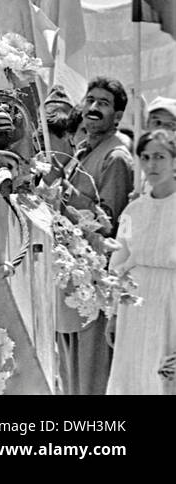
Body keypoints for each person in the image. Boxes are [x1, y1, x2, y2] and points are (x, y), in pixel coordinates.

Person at [45, 77, 135, 395]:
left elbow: (110, 226)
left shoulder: (117, 158)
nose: (94, 108)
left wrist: (64, 194)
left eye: (104, 103)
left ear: (118, 117)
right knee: (70, 383)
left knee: (91, 383)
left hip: (95, 289)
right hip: (70, 286)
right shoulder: (83, 150)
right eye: (91, 100)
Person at [107, 129, 176, 395]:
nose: (152, 164)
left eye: (160, 156)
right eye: (146, 157)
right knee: (134, 376)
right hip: (135, 304)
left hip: (171, 303)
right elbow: (118, 263)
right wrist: (113, 315)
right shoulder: (133, 211)